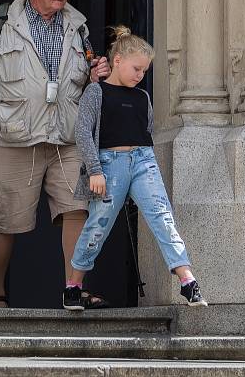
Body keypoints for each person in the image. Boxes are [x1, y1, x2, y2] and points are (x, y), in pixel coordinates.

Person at [0, 0, 110, 308]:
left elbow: (86, 79)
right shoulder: (0, 23)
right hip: (12, 137)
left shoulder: (78, 26)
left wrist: (97, 75)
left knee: (77, 208)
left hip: (66, 138)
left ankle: (73, 289)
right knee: (6, 219)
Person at [63, 26, 207, 310]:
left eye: (144, 71)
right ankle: (73, 286)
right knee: (97, 227)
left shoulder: (143, 97)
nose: (140, 75)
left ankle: (187, 280)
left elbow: (147, 129)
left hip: (143, 161)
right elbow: (82, 132)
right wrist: (94, 170)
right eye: (136, 68)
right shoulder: (96, 92)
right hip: (108, 164)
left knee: (162, 217)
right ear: (117, 61)